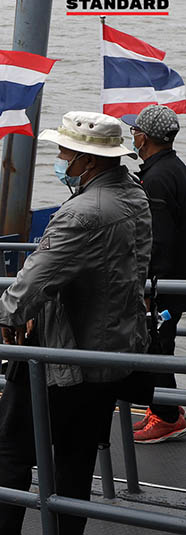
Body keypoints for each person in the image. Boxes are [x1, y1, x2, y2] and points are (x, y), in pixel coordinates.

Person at [0, 111, 151, 535]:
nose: (60, 159)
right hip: (110, 356)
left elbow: (34, 280)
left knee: (7, 448)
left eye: (64, 153)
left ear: (87, 160)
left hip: (63, 358)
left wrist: (6, 317)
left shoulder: (81, 212)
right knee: (75, 460)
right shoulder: (136, 197)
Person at [123, 104, 186, 443]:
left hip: (163, 281)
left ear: (144, 138)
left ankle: (167, 416)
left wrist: (149, 287)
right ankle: (163, 407)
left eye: (134, 131)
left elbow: (158, 239)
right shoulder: (174, 168)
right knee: (159, 343)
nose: (132, 135)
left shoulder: (157, 178)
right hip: (174, 278)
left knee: (156, 345)